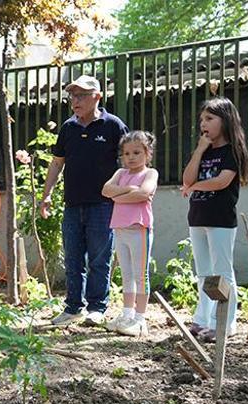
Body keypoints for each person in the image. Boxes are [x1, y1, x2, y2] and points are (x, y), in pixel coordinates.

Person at [40, 75, 129, 327]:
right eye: (72, 96)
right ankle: (73, 307)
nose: (75, 100)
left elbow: (129, 161)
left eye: (81, 95)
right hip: (72, 204)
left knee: (100, 259)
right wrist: (46, 195)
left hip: (103, 205)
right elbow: (57, 163)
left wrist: (125, 194)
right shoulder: (68, 128)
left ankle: (97, 308)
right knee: (73, 259)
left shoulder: (113, 125)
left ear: (97, 97)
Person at [182, 97, 248, 343]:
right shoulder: (204, 151)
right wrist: (199, 150)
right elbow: (187, 179)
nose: (203, 123)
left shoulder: (232, 151)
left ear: (226, 120)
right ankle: (202, 319)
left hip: (220, 219)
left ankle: (224, 323)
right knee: (203, 272)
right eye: (202, 119)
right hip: (197, 216)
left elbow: (221, 182)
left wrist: (196, 185)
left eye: (210, 118)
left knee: (221, 272)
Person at [101, 131, 159, 337]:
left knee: (140, 275)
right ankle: (126, 314)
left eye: (136, 152)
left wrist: (120, 195)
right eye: (126, 153)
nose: (131, 157)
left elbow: (144, 193)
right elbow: (106, 191)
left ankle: (140, 319)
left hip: (139, 229)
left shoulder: (150, 173)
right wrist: (129, 191)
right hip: (120, 229)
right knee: (125, 274)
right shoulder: (120, 174)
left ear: (147, 152)